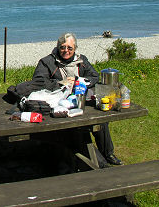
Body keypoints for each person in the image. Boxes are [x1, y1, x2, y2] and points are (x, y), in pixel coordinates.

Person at [32, 32, 123, 166]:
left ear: (75, 48)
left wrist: (78, 81)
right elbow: (38, 82)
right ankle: (100, 163)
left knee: (101, 120)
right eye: (62, 47)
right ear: (58, 47)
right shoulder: (47, 62)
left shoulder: (81, 60)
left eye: (70, 48)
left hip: (81, 100)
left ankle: (108, 153)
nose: (66, 51)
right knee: (78, 128)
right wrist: (61, 83)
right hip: (59, 102)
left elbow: (94, 76)